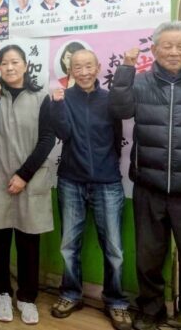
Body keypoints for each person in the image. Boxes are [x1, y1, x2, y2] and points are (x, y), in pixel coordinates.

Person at [109, 21, 181, 330]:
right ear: (154, 49)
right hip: (149, 187)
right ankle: (151, 311)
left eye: (180, 46)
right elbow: (119, 110)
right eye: (167, 46)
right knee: (148, 258)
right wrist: (125, 70)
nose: (173, 52)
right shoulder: (140, 83)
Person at [49, 49, 132, 330]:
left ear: (98, 68)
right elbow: (63, 134)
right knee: (68, 245)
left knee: (114, 249)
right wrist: (57, 105)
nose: (83, 72)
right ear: (70, 71)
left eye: (88, 66)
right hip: (70, 180)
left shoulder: (110, 100)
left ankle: (116, 301)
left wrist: (105, 168)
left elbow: (117, 139)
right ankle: (71, 294)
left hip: (107, 182)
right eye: (77, 67)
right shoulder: (63, 98)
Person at [0, 45, 55, 325]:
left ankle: (27, 298)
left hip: (29, 178)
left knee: (29, 241)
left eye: (15, 62)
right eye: (5, 63)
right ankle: (2, 294)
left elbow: (48, 139)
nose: (10, 67)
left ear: (25, 65)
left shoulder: (41, 97)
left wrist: (24, 175)